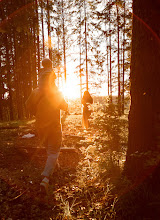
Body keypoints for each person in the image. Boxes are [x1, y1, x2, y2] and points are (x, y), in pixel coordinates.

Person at [25, 58, 68, 194]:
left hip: (40, 125)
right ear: (53, 77)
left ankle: (55, 166)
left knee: (50, 150)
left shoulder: (35, 91)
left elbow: (28, 105)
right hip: (54, 125)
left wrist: (36, 113)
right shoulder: (56, 91)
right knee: (53, 151)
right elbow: (65, 106)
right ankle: (45, 179)